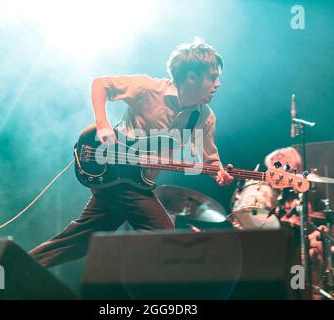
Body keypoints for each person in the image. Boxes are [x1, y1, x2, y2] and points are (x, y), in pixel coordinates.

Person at [29, 39, 234, 267]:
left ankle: (10, 270)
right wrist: (103, 124)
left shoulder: (204, 117)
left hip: (132, 182)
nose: (218, 84)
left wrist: (219, 173)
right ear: (191, 77)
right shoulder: (148, 88)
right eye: (212, 77)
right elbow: (101, 84)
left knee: (78, 240)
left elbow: (210, 158)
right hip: (114, 170)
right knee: (163, 233)